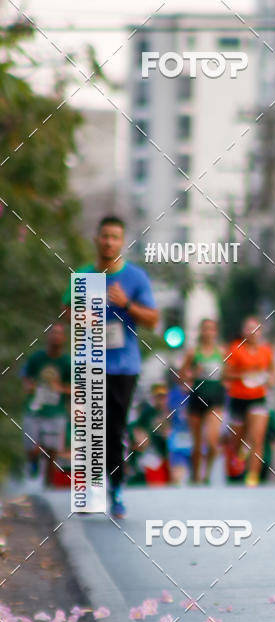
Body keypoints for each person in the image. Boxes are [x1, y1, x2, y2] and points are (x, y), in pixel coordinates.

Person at [64, 216, 158, 518]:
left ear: (122, 242)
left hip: (123, 366)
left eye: (115, 237)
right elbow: (67, 310)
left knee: (113, 429)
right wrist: (81, 315)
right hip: (89, 361)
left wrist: (127, 304)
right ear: (96, 239)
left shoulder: (135, 278)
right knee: (90, 429)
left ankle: (115, 488)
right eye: (104, 236)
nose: (109, 242)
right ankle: (91, 492)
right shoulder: (85, 275)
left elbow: (153, 320)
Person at [223, 317, 275, 488]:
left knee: (256, 439)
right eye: (248, 329)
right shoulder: (235, 349)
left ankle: (252, 477)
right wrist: (244, 375)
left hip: (258, 397)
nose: (252, 332)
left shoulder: (266, 351)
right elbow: (225, 374)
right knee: (237, 441)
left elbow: (272, 371)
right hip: (238, 398)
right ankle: (240, 455)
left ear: (260, 332)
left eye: (255, 329)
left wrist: (269, 379)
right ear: (244, 331)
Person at [22, 323, 70, 485]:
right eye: (53, 333)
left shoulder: (67, 362)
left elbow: (76, 389)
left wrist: (60, 388)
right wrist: (29, 386)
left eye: (59, 333)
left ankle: (48, 486)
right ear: (47, 336)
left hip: (55, 412)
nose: (55, 336)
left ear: (64, 338)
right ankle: (33, 461)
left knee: (52, 453)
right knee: (32, 447)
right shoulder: (37, 358)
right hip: (35, 409)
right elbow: (26, 377)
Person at [181, 318, 226, 484]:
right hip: (197, 397)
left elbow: (228, 374)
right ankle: (196, 476)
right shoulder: (193, 353)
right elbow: (181, 376)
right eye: (205, 329)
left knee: (213, 441)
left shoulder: (221, 352)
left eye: (211, 329)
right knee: (197, 444)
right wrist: (192, 373)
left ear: (216, 332)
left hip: (215, 398)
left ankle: (207, 473)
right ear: (201, 332)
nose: (208, 332)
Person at [128, 383, 170, 485]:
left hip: (166, 450)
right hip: (152, 449)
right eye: (158, 397)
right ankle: (135, 470)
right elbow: (137, 428)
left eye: (163, 397)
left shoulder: (170, 412)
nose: (161, 400)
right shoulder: (147, 413)